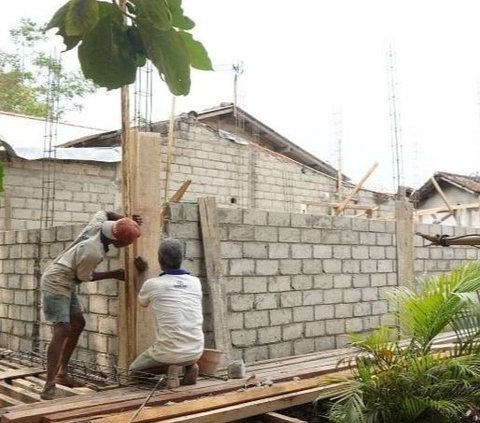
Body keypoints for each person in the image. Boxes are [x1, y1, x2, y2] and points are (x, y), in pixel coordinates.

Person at [40, 210, 142, 400]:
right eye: (127, 244)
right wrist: (115, 274)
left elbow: (104, 212)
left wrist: (125, 220)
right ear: (118, 242)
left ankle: (62, 374)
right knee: (62, 330)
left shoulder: (99, 225)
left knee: (78, 324)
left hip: (66, 281)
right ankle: (49, 385)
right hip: (56, 282)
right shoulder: (93, 252)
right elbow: (83, 277)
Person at [131, 238, 204, 389]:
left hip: (169, 353)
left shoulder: (153, 284)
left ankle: (171, 369)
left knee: (133, 372)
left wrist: (143, 272)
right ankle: (190, 367)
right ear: (182, 259)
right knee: (181, 352)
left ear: (160, 260)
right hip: (196, 351)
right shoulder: (195, 282)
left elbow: (142, 302)